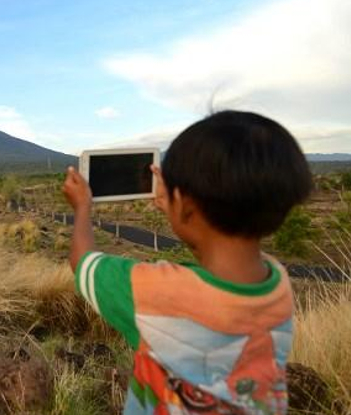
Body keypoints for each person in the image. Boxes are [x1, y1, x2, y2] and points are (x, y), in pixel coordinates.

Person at [63, 110, 312, 415]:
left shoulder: (156, 292)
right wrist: (181, 211)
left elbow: (83, 262)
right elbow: (218, 254)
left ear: (188, 205)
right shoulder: (278, 286)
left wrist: (83, 207)